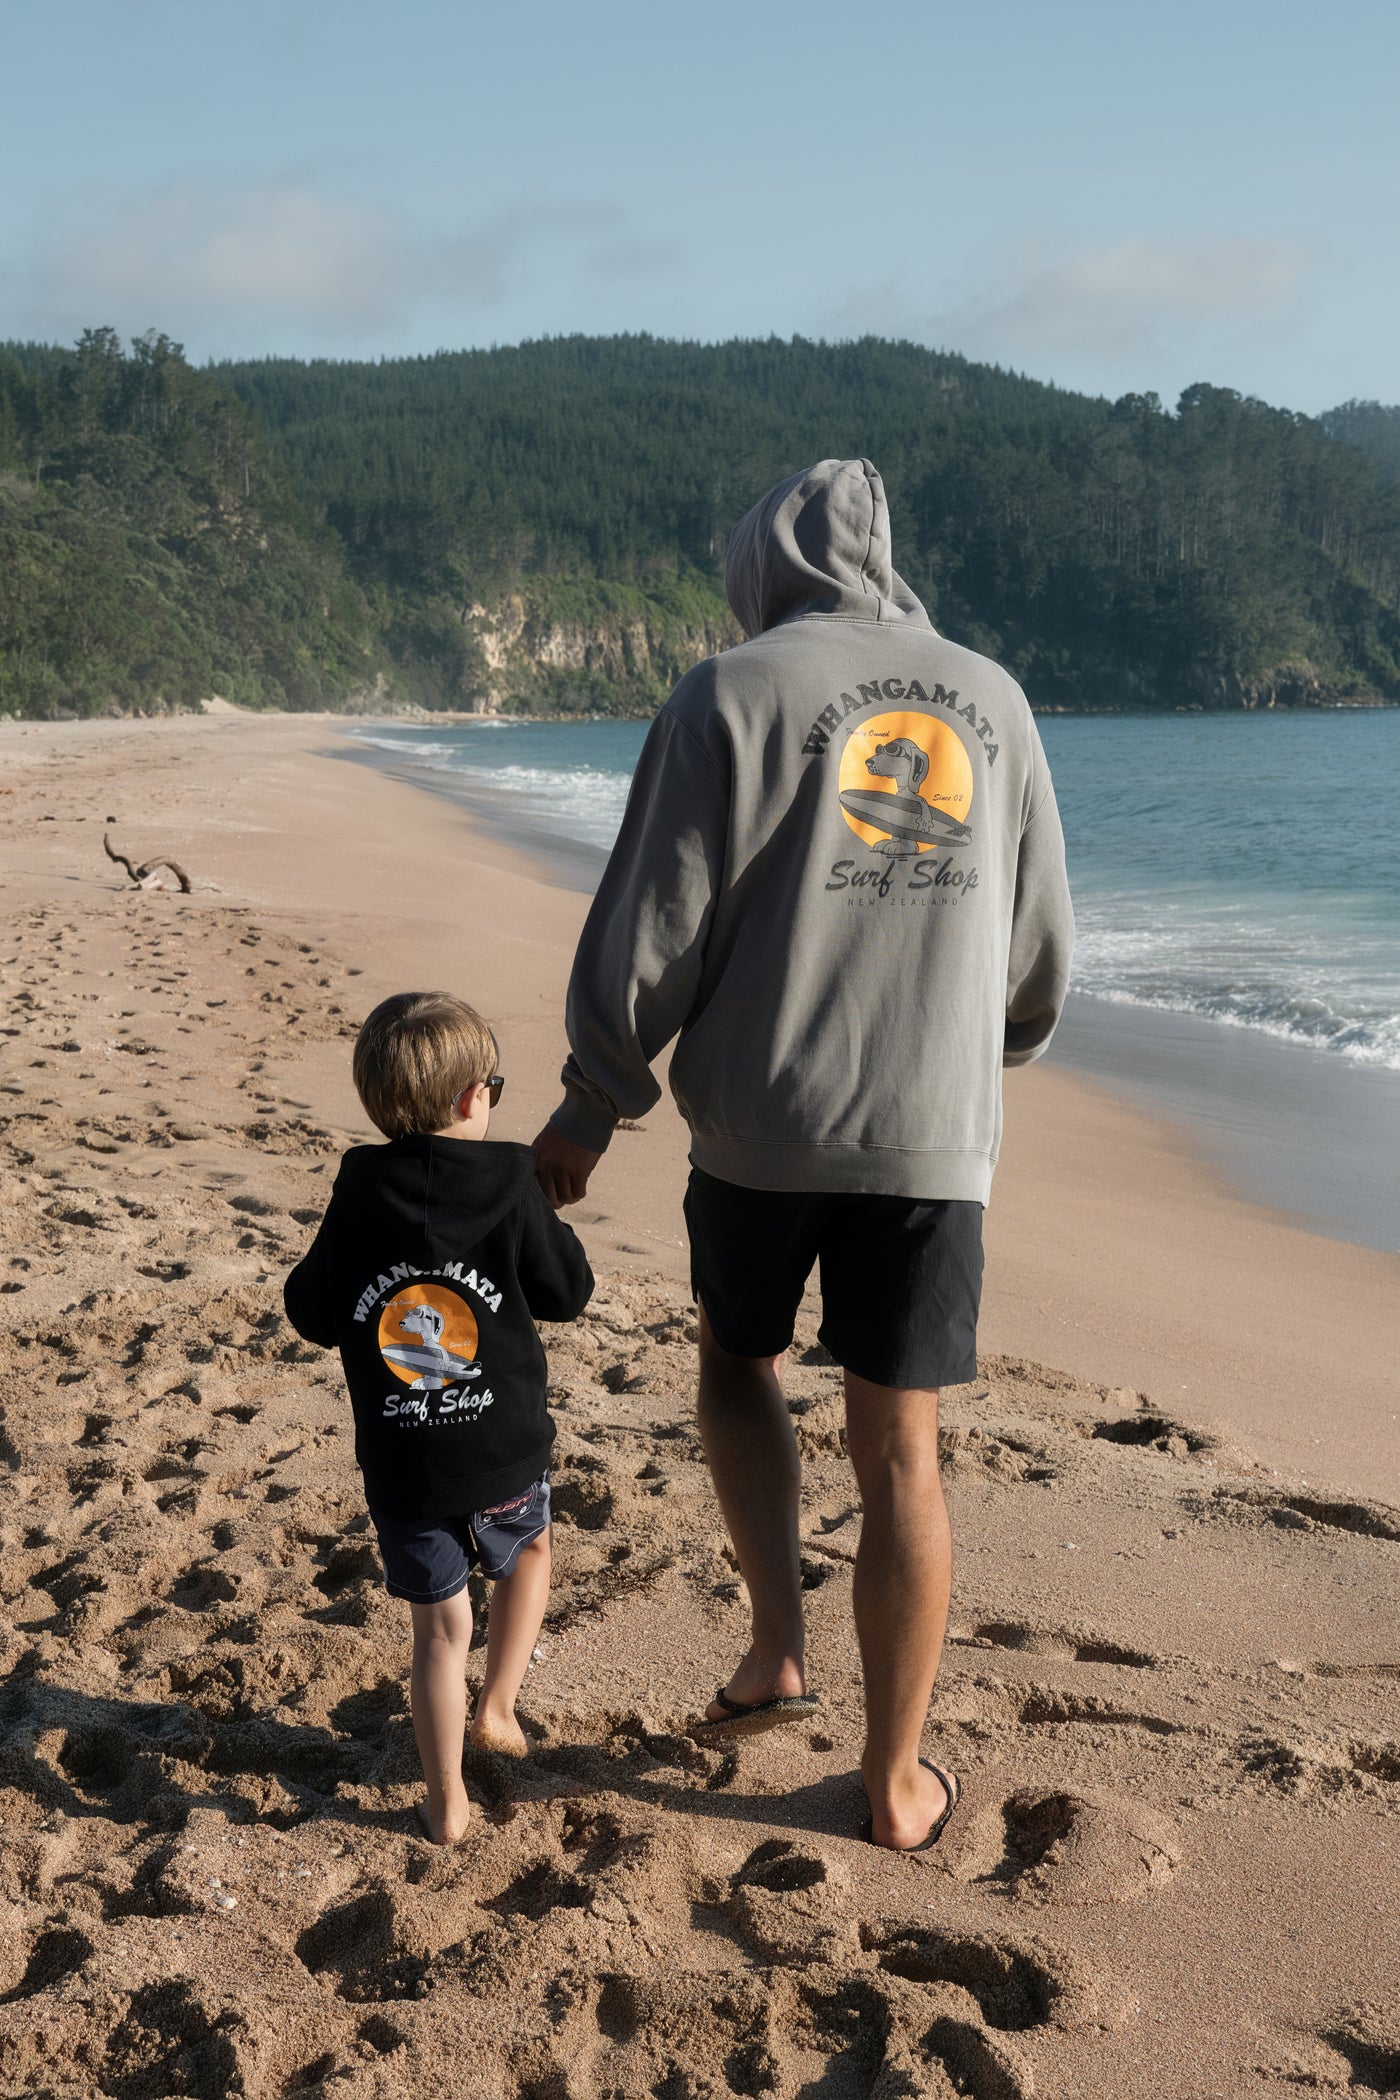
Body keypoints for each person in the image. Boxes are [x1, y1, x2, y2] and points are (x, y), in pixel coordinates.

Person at [534, 459, 1073, 1853]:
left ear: (759, 562)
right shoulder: (995, 697)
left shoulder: (725, 693)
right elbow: (1035, 937)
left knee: (738, 1359)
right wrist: (984, 1051)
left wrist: (595, 1098)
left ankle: (777, 1644)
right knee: (902, 1449)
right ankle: (893, 1781)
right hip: (929, 1134)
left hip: (760, 1127)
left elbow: (657, 916)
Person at [285, 992, 593, 1844]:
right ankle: (499, 1706)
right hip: (503, 1450)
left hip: (406, 1467)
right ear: (471, 1098)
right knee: (530, 1551)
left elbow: (311, 1311)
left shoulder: (359, 1192)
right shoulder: (513, 1183)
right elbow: (567, 1291)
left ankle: (446, 1803)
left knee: (440, 1630)